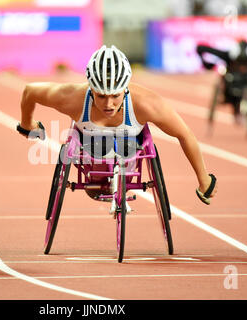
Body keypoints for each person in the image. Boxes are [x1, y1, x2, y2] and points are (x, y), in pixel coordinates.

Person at [17, 45, 217, 205]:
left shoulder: (147, 103)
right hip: (90, 157)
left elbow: (185, 134)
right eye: (101, 96)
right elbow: (29, 91)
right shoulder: (73, 98)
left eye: (115, 96)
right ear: (91, 89)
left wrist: (203, 179)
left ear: (125, 89)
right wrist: (28, 125)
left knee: (129, 146)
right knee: (94, 147)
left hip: (129, 153)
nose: (109, 104)